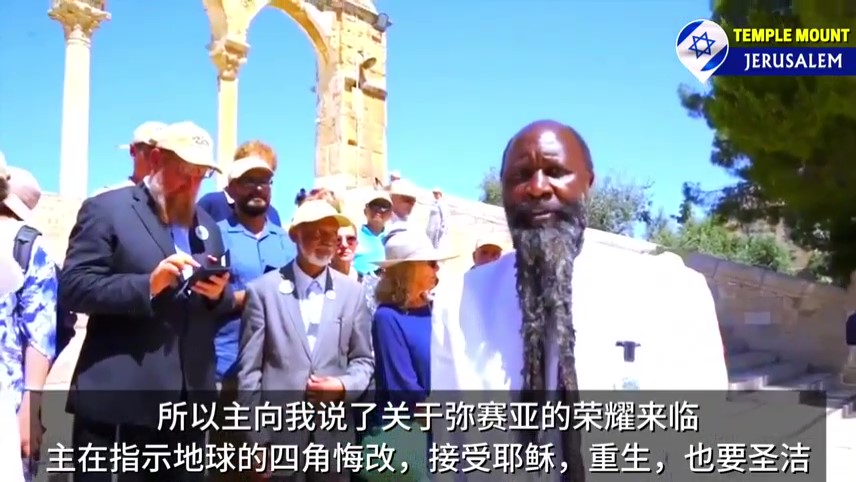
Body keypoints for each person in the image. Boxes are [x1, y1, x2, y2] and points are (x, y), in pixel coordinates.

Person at [431, 120, 728, 480]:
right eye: (521, 176)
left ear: (588, 183)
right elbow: (449, 452)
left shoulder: (670, 292)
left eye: (556, 172)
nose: (538, 188)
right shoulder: (460, 302)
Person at [60, 121, 233, 482]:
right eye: (184, 170)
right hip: (120, 406)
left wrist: (218, 295)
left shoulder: (208, 227)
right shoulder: (108, 210)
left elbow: (217, 305)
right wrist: (148, 286)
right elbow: (74, 287)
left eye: (201, 175)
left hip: (187, 411)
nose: (192, 183)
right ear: (155, 159)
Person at [236, 200, 374, 481]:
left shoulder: (352, 293)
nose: (327, 241)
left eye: (332, 234)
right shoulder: (263, 292)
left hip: (332, 443)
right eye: (317, 233)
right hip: (278, 443)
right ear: (295, 235)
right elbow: (249, 374)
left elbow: (363, 360)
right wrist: (257, 441)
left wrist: (343, 386)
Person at [0, 162, 56, 482]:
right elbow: (40, 333)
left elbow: (40, 333)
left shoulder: (26, 245)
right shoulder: (31, 245)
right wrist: (30, 411)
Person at [197, 139, 283, 226]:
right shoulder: (211, 203)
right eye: (250, 179)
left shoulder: (272, 215)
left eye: (264, 179)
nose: (258, 187)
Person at [94, 121, 167, 195]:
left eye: (167, 154)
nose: (158, 160)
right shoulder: (108, 197)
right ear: (133, 151)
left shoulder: (171, 199)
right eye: (151, 153)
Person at [352, 191, 392, 280]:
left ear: (390, 214)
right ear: (365, 210)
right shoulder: (353, 236)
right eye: (374, 206)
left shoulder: (392, 238)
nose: (379, 210)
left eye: (384, 207)